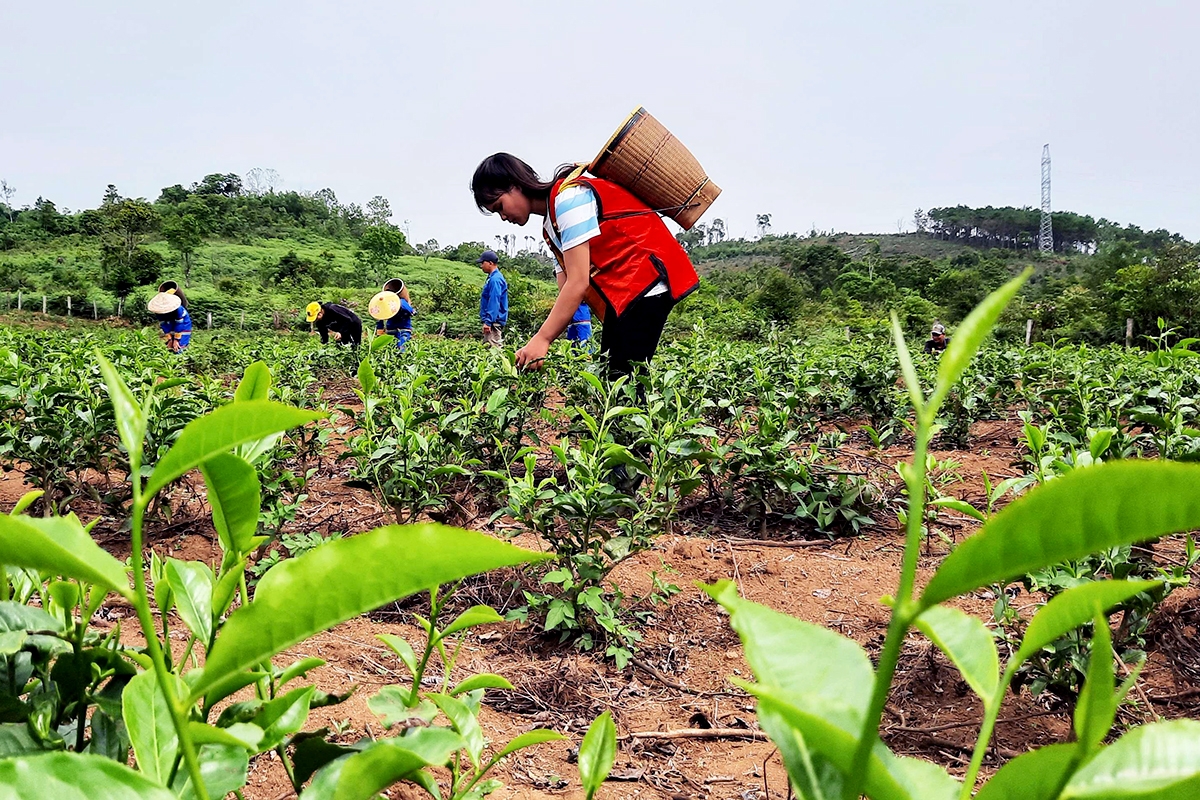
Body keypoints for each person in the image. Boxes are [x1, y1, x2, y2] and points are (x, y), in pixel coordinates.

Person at [471, 153, 698, 380]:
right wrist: (539, 341)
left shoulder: (568, 200)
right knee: (612, 375)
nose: (502, 216)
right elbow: (568, 290)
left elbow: (578, 282)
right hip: (623, 296)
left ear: (515, 185)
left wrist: (543, 339)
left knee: (624, 381)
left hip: (646, 283)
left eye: (500, 206)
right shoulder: (550, 228)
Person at [371, 278, 416, 352]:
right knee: (401, 349)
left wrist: (379, 333)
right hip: (403, 330)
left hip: (391, 330)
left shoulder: (387, 303)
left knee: (389, 350)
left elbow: (379, 318)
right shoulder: (401, 301)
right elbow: (411, 311)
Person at [148, 281, 192, 353]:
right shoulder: (158, 311)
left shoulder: (179, 309)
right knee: (169, 346)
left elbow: (179, 324)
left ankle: (181, 356)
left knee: (179, 346)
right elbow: (164, 325)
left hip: (183, 325)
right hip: (170, 323)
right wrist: (170, 339)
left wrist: (176, 340)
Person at [477, 250, 508, 347]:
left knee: (494, 353)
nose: (481, 266)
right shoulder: (493, 277)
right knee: (488, 350)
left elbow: (494, 301)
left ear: (490, 263)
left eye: (483, 263)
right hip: (492, 321)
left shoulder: (495, 280)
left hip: (494, 322)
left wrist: (488, 321)